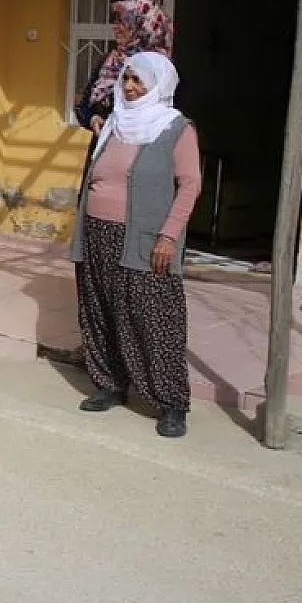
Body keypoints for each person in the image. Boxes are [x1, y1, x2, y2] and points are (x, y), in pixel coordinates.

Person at [70, 51, 202, 438]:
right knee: (100, 310)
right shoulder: (114, 123)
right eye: (126, 79)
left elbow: (190, 185)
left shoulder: (176, 128)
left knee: (154, 317)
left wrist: (169, 236)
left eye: (138, 81)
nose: (129, 87)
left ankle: (171, 402)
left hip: (145, 239)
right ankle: (110, 384)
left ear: (158, 85)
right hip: (96, 232)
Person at [74, 0, 173, 139]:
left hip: (141, 151)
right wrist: (93, 119)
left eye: (123, 22)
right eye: (116, 21)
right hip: (104, 150)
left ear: (143, 27)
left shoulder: (160, 69)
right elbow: (83, 106)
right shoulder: (109, 61)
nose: (116, 26)